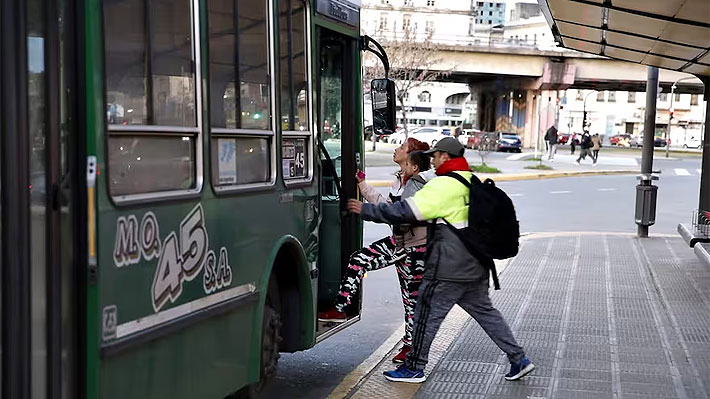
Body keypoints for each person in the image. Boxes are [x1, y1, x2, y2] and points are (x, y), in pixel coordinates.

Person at [347, 137, 534, 384]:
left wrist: (367, 210)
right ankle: (518, 359)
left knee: (425, 312)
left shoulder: (444, 185)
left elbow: (406, 212)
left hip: (449, 268)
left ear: (445, 157)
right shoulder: (470, 180)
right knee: (486, 313)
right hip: (476, 264)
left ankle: (414, 367)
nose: (431, 160)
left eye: (435, 156)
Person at [318, 138, 432, 363]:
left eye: (401, 148)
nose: (396, 149)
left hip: (413, 248)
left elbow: (399, 213)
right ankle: (410, 345)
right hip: (402, 243)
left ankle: (342, 307)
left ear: (413, 161)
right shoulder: (401, 180)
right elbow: (386, 203)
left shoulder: (417, 184)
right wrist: (363, 186)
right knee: (407, 296)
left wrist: (368, 210)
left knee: (364, 263)